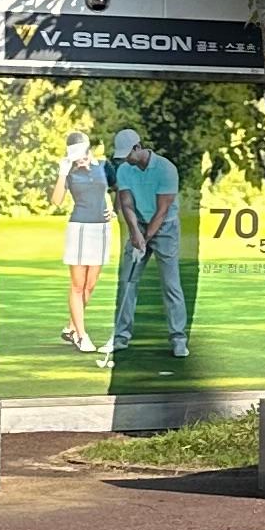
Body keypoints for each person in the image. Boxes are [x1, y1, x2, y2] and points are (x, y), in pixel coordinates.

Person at [108, 128, 189, 360]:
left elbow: (162, 210)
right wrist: (135, 233)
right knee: (127, 281)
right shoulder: (125, 169)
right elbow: (126, 204)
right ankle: (121, 337)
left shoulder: (166, 169)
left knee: (171, 285)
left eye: (128, 154)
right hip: (139, 225)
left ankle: (178, 339)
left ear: (138, 147)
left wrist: (146, 237)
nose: (126, 160)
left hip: (166, 229)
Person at [55, 126, 112, 352]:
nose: (79, 159)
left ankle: (71, 328)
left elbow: (115, 191)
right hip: (79, 228)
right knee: (78, 285)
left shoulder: (104, 166)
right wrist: (62, 173)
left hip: (102, 229)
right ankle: (81, 335)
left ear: (88, 150)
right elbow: (57, 200)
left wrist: (113, 209)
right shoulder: (69, 170)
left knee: (90, 285)